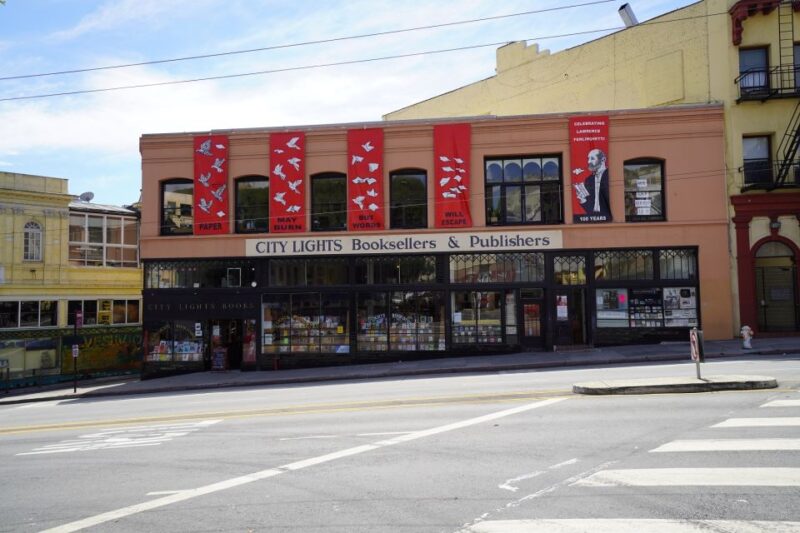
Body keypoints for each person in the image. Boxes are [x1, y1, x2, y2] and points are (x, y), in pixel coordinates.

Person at [575, 148, 611, 219]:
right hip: (594, 219)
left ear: (603, 160)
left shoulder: (610, 175)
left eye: (592, 158)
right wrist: (583, 199)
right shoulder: (589, 180)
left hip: (608, 217)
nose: (589, 161)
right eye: (588, 159)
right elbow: (590, 207)